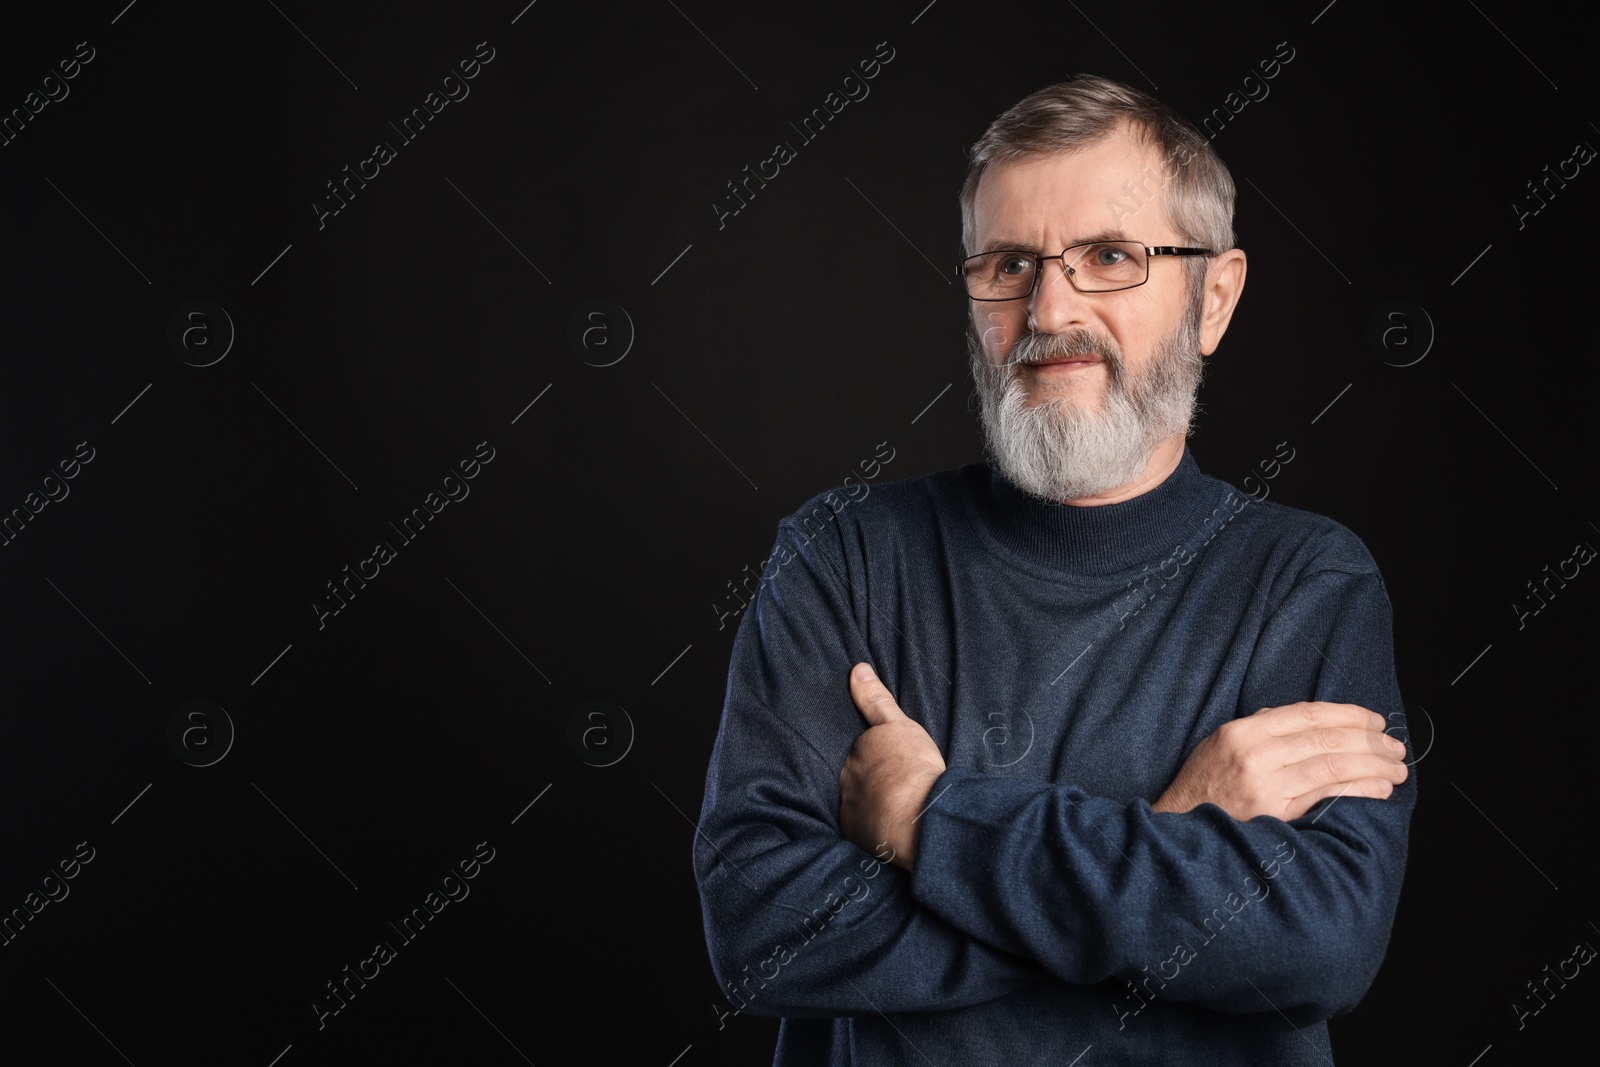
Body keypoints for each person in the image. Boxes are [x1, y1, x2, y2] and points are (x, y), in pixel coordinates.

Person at [694, 74, 1414, 1065]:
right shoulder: (845, 556)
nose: (1048, 307)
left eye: (1109, 256)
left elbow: (1314, 945)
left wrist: (926, 818)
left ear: (1214, 296)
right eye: (1007, 263)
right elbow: (765, 933)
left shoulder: (1305, 581)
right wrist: (1172, 831)